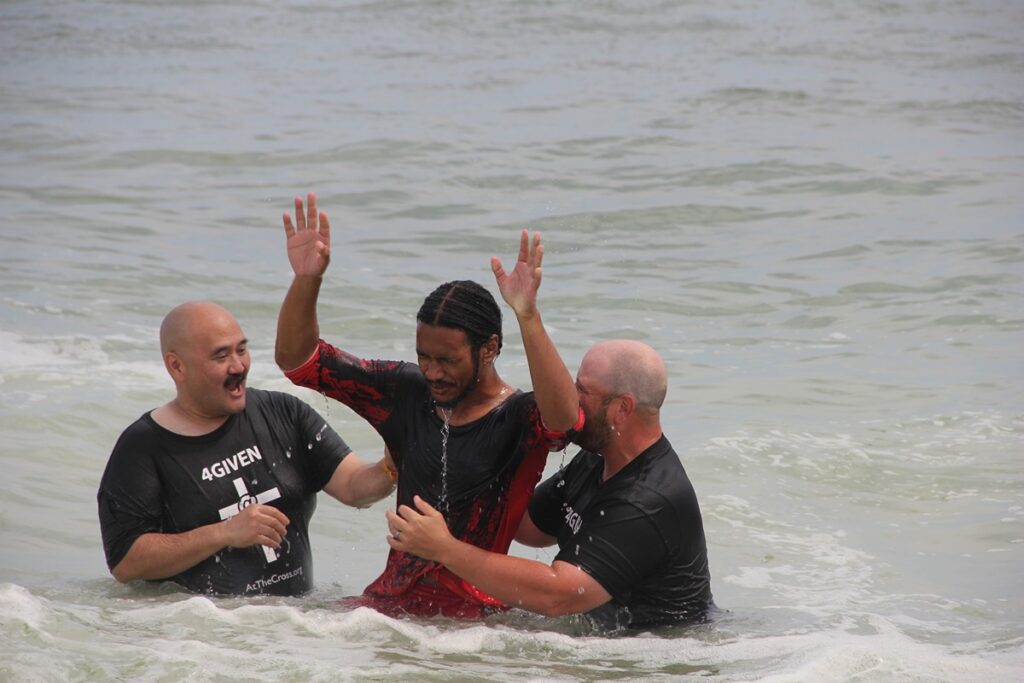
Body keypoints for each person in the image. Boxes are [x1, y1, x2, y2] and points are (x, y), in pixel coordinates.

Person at [275, 192, 581, 617]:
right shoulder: (404, 389)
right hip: (387, 609)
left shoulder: (518, 418)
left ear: (489, 348)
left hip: (475, 623)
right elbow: (300, 362)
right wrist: (307, 280)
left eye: (448, 360)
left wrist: (528, 315)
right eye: (425, 356)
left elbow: (565, 421)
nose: (433, 372)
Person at [387, 340, 714, 630]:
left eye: (582, 390)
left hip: (662, 659)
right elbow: (528, 527)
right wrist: (468, 452)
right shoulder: (596, 459)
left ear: (621, 408)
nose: (570, 398)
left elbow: (559, 596)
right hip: (604, 636)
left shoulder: (646, 499)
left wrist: (445, 548)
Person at [97, 301, 396, 596]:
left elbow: (354, 488)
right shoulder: (142, 447)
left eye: (241, 350)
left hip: (298, 632)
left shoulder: (283, 412)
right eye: (221, 356)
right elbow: (126, 563)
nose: (239, 366)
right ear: (177, 366)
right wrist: (224, 532)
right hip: (201, 636)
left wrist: (389, 466)